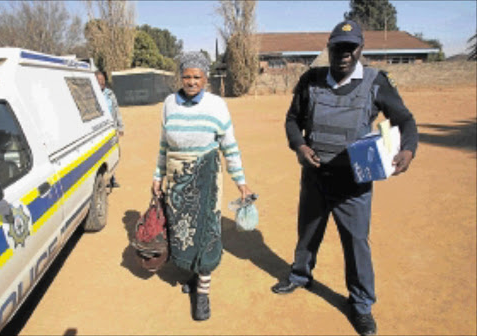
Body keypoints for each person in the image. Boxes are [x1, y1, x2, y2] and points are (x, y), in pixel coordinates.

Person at [275, 20, 418, 336]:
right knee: (307, 232)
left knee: (356, 243)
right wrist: (299, 145)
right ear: (329, 48)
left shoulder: (375, 82)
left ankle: (362, 305)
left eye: (350, 47)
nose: (344, 54)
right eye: (338, 47)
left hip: (354, 183)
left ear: (360, 49)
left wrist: (408, 150)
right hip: (314, 176)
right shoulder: (311, 80)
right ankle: (300, 275)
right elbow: (292, 120)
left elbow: (405, 120)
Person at [151, 51, 253, 321]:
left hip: (206, 179)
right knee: (182, 230)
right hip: (175, 178)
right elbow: (163, 143)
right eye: (187, 76)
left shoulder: (217, 105)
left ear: (206, 78)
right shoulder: (169, 104)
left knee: (207, 233)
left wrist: (240, 182)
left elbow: (229, 146)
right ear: (180, 77)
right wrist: (158, 174)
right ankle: (193, 275)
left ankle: (204, 294)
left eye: (197, 77)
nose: (192, 82)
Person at [95, 70, 124, 188]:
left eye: (102, 80)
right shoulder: (92, 95)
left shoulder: (110, 94)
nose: (101, 82)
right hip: (98, 131)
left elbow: (116, 110)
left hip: (111, 129)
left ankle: (112, 178)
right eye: (98, 80)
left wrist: (120, 126)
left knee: (112, 152)